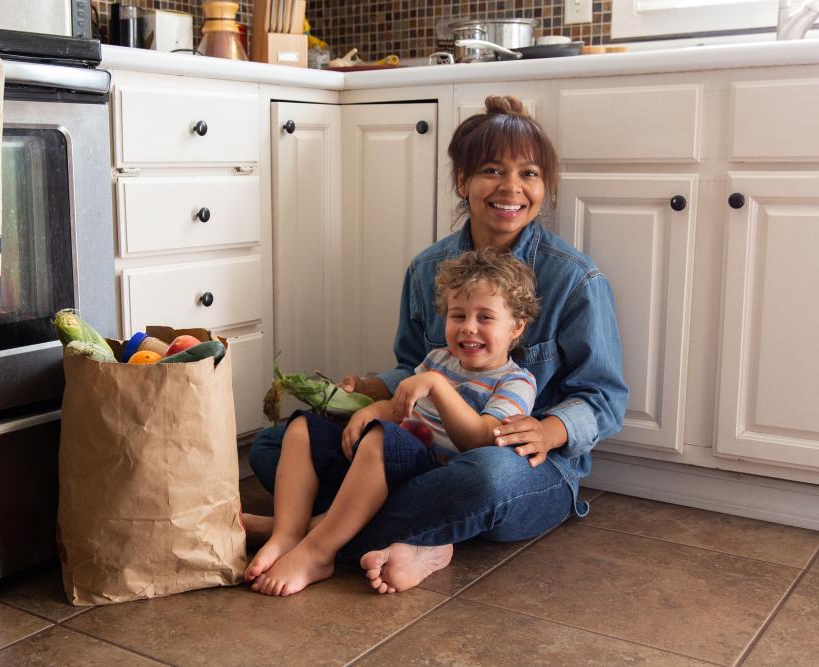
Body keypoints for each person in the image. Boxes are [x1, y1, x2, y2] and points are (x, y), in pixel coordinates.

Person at [246, 95, 628, 594]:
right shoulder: (428, 269)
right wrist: (370, 390)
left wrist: (551, 431)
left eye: (529, 174)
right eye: (492, 170)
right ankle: (423, 538)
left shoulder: (575, 279)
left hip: (523, 464)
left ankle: (309, 533)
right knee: (275, 445)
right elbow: (414, 369)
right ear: (462, 181)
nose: (511, 188)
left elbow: (604, 398)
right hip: (429, 452)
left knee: (489, 479)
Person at [245, 248, 541, 596]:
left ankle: (318, 551)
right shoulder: (438, 358)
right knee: (301, 429)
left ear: (517, 327)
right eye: (457, 315)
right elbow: (399, 408)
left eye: (485, 317)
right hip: (386, 461)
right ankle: (287, 535)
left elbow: (479, 440)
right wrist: (369, 412)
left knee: (383, 442)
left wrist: (438, 386)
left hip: (430, 474)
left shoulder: (515, 382)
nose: (468, 328)